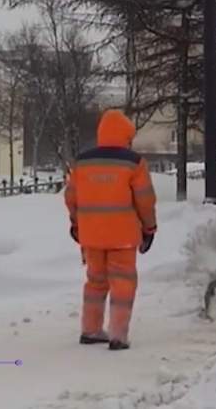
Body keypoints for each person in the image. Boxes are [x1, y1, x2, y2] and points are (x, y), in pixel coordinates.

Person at [64, 109, 157, 351]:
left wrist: (76, 224)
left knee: (95, 282)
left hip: (91, 236)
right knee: (123, 283)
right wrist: (149, 227)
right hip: (123, 237)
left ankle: (90, 329)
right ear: (126, 135)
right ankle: (118, 335)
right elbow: (145, 199)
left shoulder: (82, 162)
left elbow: (71, 197)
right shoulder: (134, 163)